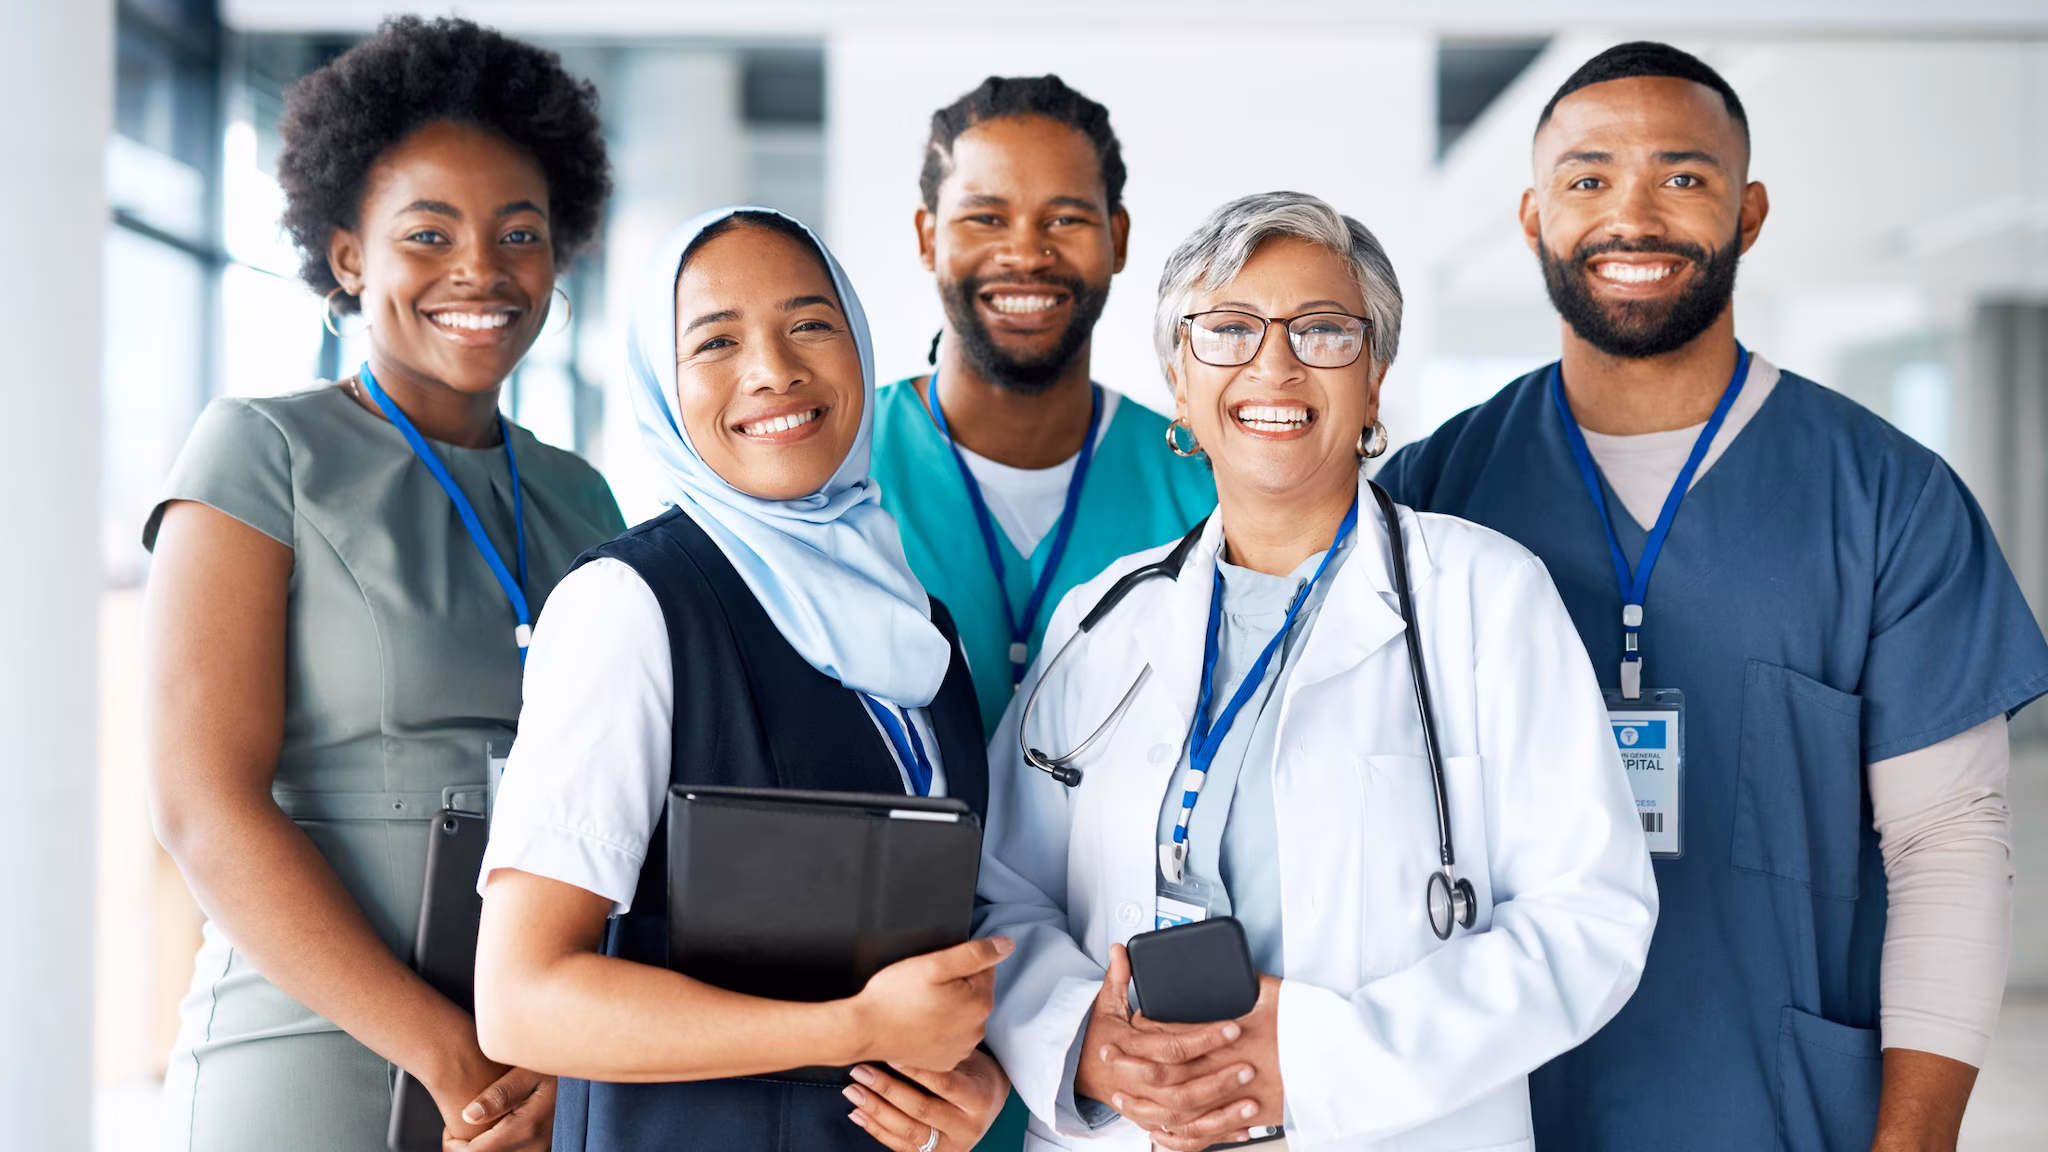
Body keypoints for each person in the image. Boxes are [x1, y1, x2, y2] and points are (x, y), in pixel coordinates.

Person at [1374, 42, 2048, 1152]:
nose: (1630, 217)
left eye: (1681, 178)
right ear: (1532, 215)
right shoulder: (1432, 493)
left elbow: (1947, 843)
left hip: (1774, 1108)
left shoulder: (1886, 497)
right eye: (1587, 180)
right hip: (1489, 1104)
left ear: (1748, 213)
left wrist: (1914, 1141)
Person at [976, 191, 1659, 1151]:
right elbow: (1001, 890)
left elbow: (1590, 919)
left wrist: (1314, 1057)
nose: (1274, 365)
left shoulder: (1485, 598)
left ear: (1374, 380)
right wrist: (1081, 1040)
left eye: (1324, 331)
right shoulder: (1103, 616)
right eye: (1227, 330)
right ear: (1180, 382)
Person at [141, 16, 623, 1150]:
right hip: (310, 1046)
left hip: (532, 1063)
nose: (480, 271)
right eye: (427, 232)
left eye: (520, 233)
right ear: (349, 255)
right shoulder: (259, 452)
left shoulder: (584, 500)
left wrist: (559, 1050)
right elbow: (201, 806)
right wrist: (452, 1054)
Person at [471, 207, 1015, 1152]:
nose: (773, 370)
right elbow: (523, 1002)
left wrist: (971, 1086)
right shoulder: (629, 607)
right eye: (716, 342)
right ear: (662, 385)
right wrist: (851, 1030)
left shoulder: (923, 628)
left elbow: (930, 962)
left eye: (811, 323)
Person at [873, 75, 1216, 737]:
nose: (1027, 253)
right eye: (985, 217)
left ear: (1116, 235)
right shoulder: (842, 473)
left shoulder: (1204, 483)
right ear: (927, 236)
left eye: (1065, 218)